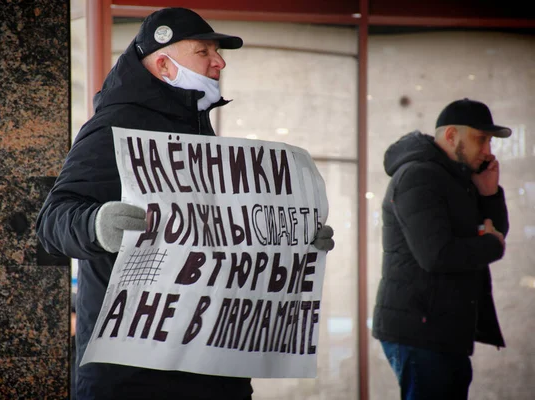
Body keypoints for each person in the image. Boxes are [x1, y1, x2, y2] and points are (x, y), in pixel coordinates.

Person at [36, 7, 334, 400]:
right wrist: (96, 225)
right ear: (164, 64)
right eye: (204, 51)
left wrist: (291, 237)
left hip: (211, 364)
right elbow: (52, 222)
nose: (220, 61)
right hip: (133, 375)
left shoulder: (199, 132)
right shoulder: (114, 127)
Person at [372, 98, 510, 400]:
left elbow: (495, 232)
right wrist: (490, 244)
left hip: (442, 329)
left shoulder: (457, 178)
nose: (488, 151)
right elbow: (437, 255)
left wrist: (489, 194)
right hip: (421, 331)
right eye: (481, 139)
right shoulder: (418, 176)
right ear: (451, 136)